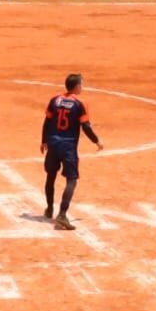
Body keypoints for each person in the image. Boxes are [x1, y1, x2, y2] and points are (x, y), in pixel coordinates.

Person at [41, 73, 103, 231]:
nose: (82, 87)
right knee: (72, 179)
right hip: (68, 146)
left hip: (53, 143)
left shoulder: (54, 100)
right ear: (76, 86)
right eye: (81, 84)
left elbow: (47, 122)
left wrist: (43, 141)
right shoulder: (80, 103)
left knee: (51, 176)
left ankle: (49, 209)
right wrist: (97, 141)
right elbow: (86, 127)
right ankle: (62, 213)